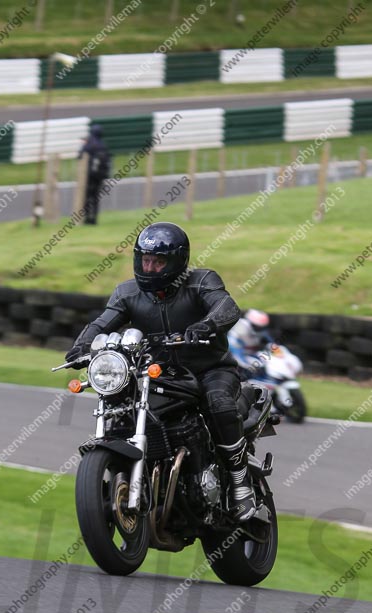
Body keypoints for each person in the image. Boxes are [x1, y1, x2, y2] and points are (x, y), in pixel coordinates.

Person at [65, 221, 257, 522]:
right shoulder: (127, 293)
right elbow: (102, 323)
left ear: (177, 262)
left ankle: (239, 479)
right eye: (146, 260)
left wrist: (206, 325)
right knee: (120, 400)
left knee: (218, 402)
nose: (150, 267)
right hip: (157, 372)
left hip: (210, 368)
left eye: (158, 262)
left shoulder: (201, 281)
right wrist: (82, 347)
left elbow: (226, 306)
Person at [77, 123, 110, 225]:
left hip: (88, 176)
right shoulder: (102, 145)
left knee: (87, 196)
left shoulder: (88, 145)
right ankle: (94, 218)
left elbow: (80, 156)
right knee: (95, 198)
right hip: (99, 176)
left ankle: (86, 218)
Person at [228, 309, 273, 378]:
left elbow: (271, 343)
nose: (260, 329)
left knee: (268, 361)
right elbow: (236, 354)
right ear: (250, 323)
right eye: (257, 327)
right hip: (238, 357)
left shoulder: (261, 329)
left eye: (261, 327)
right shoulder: (239, 330)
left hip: (253, 353)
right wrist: (247, 366)